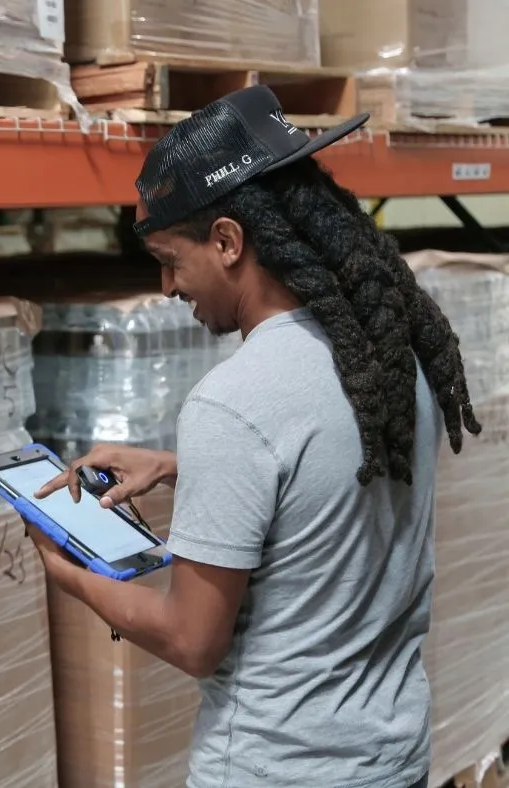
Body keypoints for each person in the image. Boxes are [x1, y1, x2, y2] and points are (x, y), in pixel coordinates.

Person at [27, 85, 482, 788]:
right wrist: (190, 468)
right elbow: (323, 483)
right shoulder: (389, 362)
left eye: (171, 259)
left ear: (228, 241)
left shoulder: (235, 404)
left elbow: (192, 639)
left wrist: (73, 577)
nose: (168, 286)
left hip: (278, 768)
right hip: (391, 759)